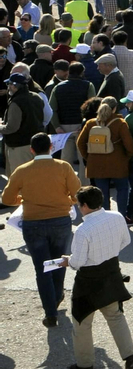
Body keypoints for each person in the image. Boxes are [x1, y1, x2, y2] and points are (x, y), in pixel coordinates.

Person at [57, 185, 133, 369]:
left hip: (88, 281)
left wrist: (67, 261)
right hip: (111, 273)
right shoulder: (117, 217)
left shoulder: (82, 230)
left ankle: (85, 364)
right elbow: (126, 241)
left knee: (82, 321)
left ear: (84, 206)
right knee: (116, 316)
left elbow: (77, 262)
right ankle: (130, 356)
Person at [1, 131, 80, 325]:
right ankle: (57, 293)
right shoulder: (63, 167)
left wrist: (23, 199)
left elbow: (6, 199)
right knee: (59, 260)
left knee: (42, 267)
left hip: (33, 223)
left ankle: (50, 311)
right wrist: (66, 200)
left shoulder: (22, 170)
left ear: (31, 149)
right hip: (60, 221)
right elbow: (77, 194)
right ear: (51, 147)